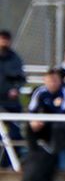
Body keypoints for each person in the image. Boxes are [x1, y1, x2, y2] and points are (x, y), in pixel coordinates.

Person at [26, 67, 65, 152]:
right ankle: (33, 156)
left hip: (63, 126)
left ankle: (53, 157)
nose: (52, 83)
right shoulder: (40, 92)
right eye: (49, 81)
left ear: (60, 80)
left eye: (55, 80)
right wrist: (34, 121)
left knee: (57, 128)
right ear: (44, 81)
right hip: (45, 124)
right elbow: (32, 110)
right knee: (30, 127)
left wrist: (54, 107)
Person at [0, 29, 27, 162]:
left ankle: (9, 164)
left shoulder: (15, 59)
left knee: (15, 135)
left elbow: (21, 78)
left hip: (11, 104)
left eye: (6, 39)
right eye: (2, 39)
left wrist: (15, 89)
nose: (4, 42)